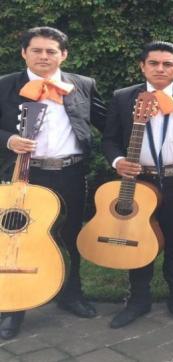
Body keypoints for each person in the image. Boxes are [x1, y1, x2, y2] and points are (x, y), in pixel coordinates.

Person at [0, 26, 106, 340]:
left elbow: (109, 123)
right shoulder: (5, 85)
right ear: (24, 53)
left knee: (71, 236)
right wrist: (8, 140)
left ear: (64, 54)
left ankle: (70, 294)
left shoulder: (83, 85)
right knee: (17, 241)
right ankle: (13, 307)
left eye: (51, 51)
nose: (44, 56)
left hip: (71, 173)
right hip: (24, 175)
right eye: (37, 50)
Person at [102, 41, 173, 328]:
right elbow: (109, 138)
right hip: (137, 181)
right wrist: (117, 162)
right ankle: (138, 299)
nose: (160, 69)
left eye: (167, 64)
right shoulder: (123, 97)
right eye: (154, 63)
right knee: (137, 240)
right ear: (142, 66)